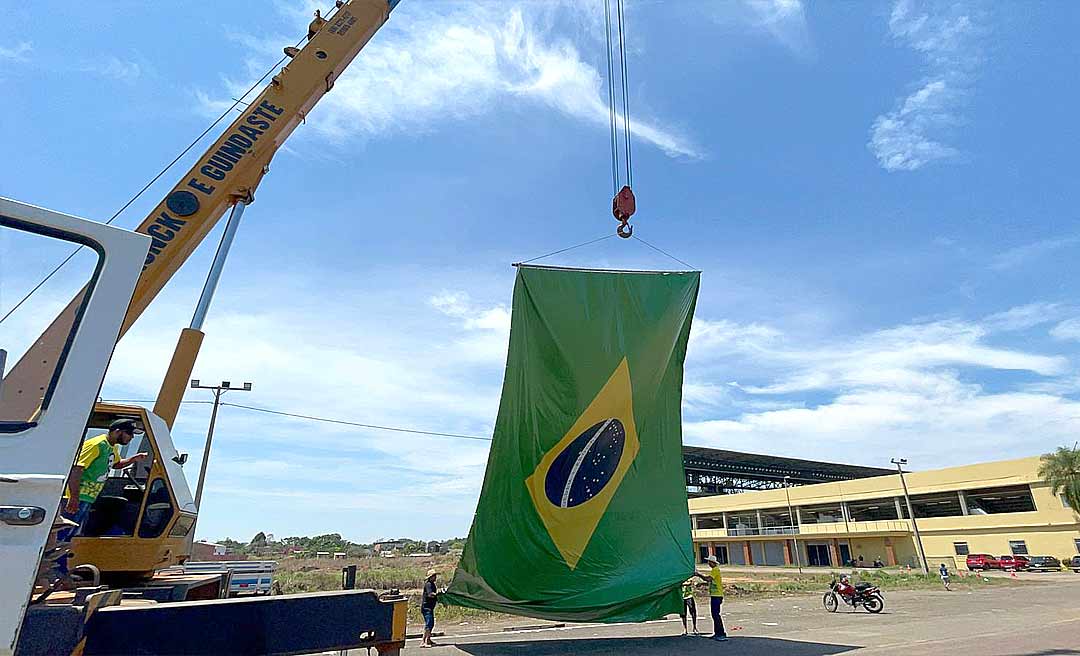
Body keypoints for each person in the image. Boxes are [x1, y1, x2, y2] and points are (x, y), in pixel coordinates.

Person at [56, 419, 147, 574]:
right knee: (64, 535)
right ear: (118, 431)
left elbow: (115, 464)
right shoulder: (96, 444)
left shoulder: (112, 448)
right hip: (79, 497)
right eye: (129, 434)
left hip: (88, 498)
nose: (131, 437)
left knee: (72, 536)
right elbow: (77, 468)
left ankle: (62, 569)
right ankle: (57, 571)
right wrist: (74, 497)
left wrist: (133, 459)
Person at [691, 555, 727, 641]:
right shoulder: (714, 570)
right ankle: (717, 633)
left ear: (712, 563)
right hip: (715, 595)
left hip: (717, 595)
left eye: (709, 562)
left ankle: (721, 633)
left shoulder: (715, 570)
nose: (708, 563)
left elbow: (708, 579)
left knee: (716, 615)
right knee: (714, 615)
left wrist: (699, 575)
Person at [420, 568, 443, 648]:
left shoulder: (432, 584)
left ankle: (428, 640)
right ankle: (424, 641)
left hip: (429, 607)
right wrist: (437, 594)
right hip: (427, 607)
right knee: (429, 624)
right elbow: (430, 594)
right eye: (434, 576)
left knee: (431, 624)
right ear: (431, 577)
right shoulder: (429, 584)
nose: (435, 577)